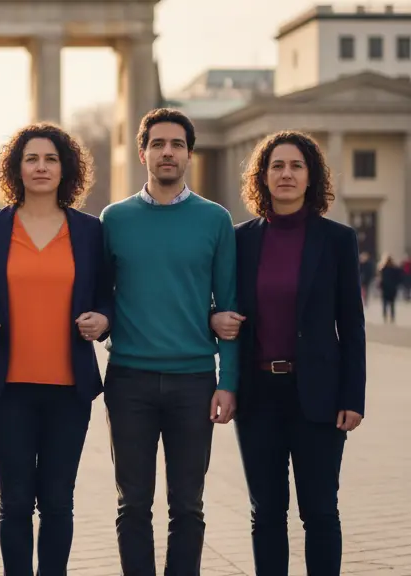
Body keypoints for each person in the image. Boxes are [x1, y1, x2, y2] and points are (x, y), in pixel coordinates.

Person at [212, 130, 366, 576]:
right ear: (262, 176)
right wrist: (213, 323)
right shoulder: (240, 239)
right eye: (276, 166)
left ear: (311, 176)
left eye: (296, 166)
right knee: (266, 513)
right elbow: (220, 305)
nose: (286, 174)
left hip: (318, 395)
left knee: (319, 511)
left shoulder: (337, 239)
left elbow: (351, 325)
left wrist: (352, 397)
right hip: (258, 394)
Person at [0, 123, 113, 574]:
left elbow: (109, 295)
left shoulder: (89, 230)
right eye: (32, 158)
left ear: (65, 168)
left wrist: (104, 319)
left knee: (57, 503)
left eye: (50, 159)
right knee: (14, 502)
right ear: (17, 167)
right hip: (7, 386)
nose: (42, 167)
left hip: (69, 388)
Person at [99, 108, 239, 576]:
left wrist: (229, 381)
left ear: (189, 155)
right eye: (158, 144)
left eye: (177, 144)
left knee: (188, 507)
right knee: (132, 505)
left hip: (194, 381)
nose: (167, 152)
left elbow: (230, 308)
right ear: (143, 153)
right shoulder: (114, 218)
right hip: (129, 380)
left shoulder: (215, 220)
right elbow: (101, 293)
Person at [378, 254, 402, 323]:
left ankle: (385, 316)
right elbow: (399, 278)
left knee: (385, 304)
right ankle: (392, 317)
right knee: (392, 304)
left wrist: (381, 286)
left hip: (385, 288)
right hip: (392, 288)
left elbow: (381, 279)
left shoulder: (383, 269)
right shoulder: (395, 269)